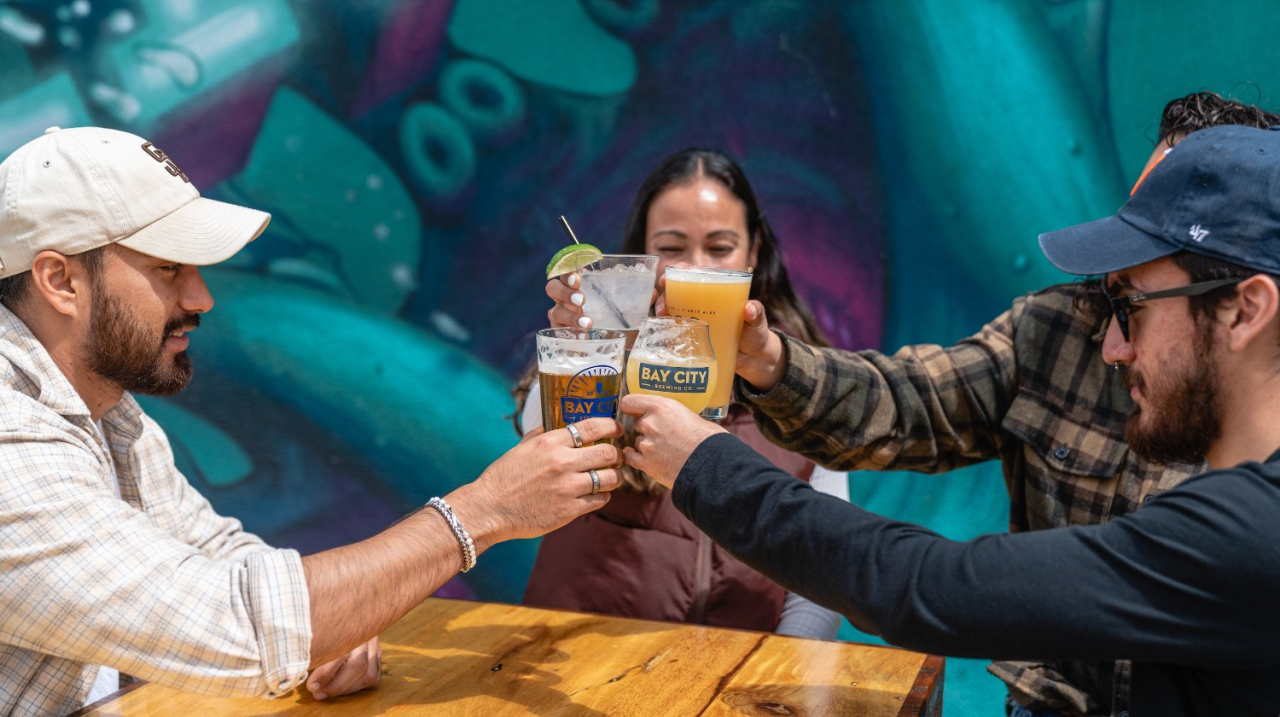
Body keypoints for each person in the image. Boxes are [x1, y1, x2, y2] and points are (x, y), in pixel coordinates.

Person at [640, 92, 1280, 717]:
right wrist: (773, 363)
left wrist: (705, 466)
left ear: (1246, 310)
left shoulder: (1244, 530)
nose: (1112, 343)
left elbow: (929, 585)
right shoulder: (1061, 332)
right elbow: (906, 401)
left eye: (1135, 298)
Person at [0, 126, 625, 716]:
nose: (201, 299)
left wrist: (334, 621)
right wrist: (483, 512)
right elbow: (234, 624)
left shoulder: (104, 409)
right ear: (61, 281)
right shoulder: (10, 440)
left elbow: (218, 554)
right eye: (168, 268)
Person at [513, 149, 847, 638]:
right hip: (573, 668)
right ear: (645, 257)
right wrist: (596, 348)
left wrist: (787, 683)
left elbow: (820, 570)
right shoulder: (606, 350)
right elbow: (539, 432)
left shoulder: (799, 377)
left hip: (729, 681)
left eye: (719, 248)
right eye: (672, 248)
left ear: (752, 254)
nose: (695, 267)